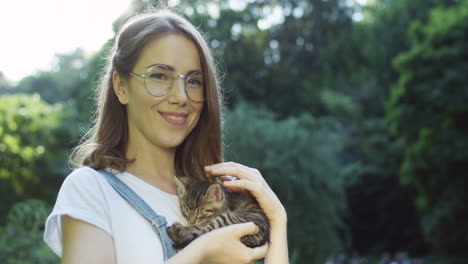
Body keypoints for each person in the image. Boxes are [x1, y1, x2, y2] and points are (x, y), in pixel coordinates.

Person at [43, 8, 288, 264]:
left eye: (194, 81)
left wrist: (278, 221)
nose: (180, 96)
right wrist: (200, 252)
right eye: (159, 76)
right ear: (121, 87)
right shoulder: (91, 189)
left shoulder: (215, 197)